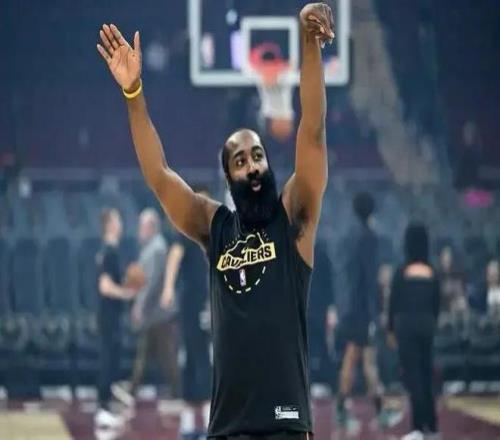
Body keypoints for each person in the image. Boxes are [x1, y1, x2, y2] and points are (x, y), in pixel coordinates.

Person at [97, 3, 333, 438]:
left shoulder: (293, 217)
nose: (253, 166)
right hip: (226, 427)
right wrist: (133, 94)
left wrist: (308, 43)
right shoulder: (216, 227)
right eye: (240, 161)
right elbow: (159, 175)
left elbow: (313, 132)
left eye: (258, 155)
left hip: (285, 424)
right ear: (229, 177)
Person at [114, 208, 181, 407]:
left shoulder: (156, 249)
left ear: (151, 227)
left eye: (142, 226)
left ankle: (178, 392)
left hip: (160, 314)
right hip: (154, 314)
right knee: (146, 354)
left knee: (167, 357)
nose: (139, 230)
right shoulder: (151, 247)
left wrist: (139, 306)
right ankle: (133, 389)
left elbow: (150, 283)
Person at [335, 192, 391, 428]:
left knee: (355, 357)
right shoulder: (369, 237)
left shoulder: (349, 236)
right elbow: (370, 278)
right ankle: (378, 412)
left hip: (350, 305)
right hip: (364, 308)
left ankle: (347, 409)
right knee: (365, 360)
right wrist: (376, 310)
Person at [163, 187, 212, 439]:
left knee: (202, 359)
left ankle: (202, 422)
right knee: (194, 359)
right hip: (192, 304)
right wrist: (168, 287)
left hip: (208, 303)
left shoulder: (214, 231)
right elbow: (175, 254)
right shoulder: (187, 228)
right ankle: (193, 421)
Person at [388, 223, 440, 440]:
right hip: (427, 327)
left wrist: (391, 330)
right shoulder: (432, 272)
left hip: (406, 328)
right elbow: (437, 304)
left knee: (413, 377)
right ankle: (432, 426)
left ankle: (418, 427)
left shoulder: (401, 272)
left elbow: (393, 304)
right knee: (427, 375)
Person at [95, 208, 137, 429]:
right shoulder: (109, 252)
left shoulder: (109, 251)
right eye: (118, 220)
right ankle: (103, 408)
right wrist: (126, 293)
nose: (121, 224)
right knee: (108, 360)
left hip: (110, 315)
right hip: (108, 315)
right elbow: (104, 286)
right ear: (110, 224)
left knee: (112, 359)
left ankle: (108, 405)